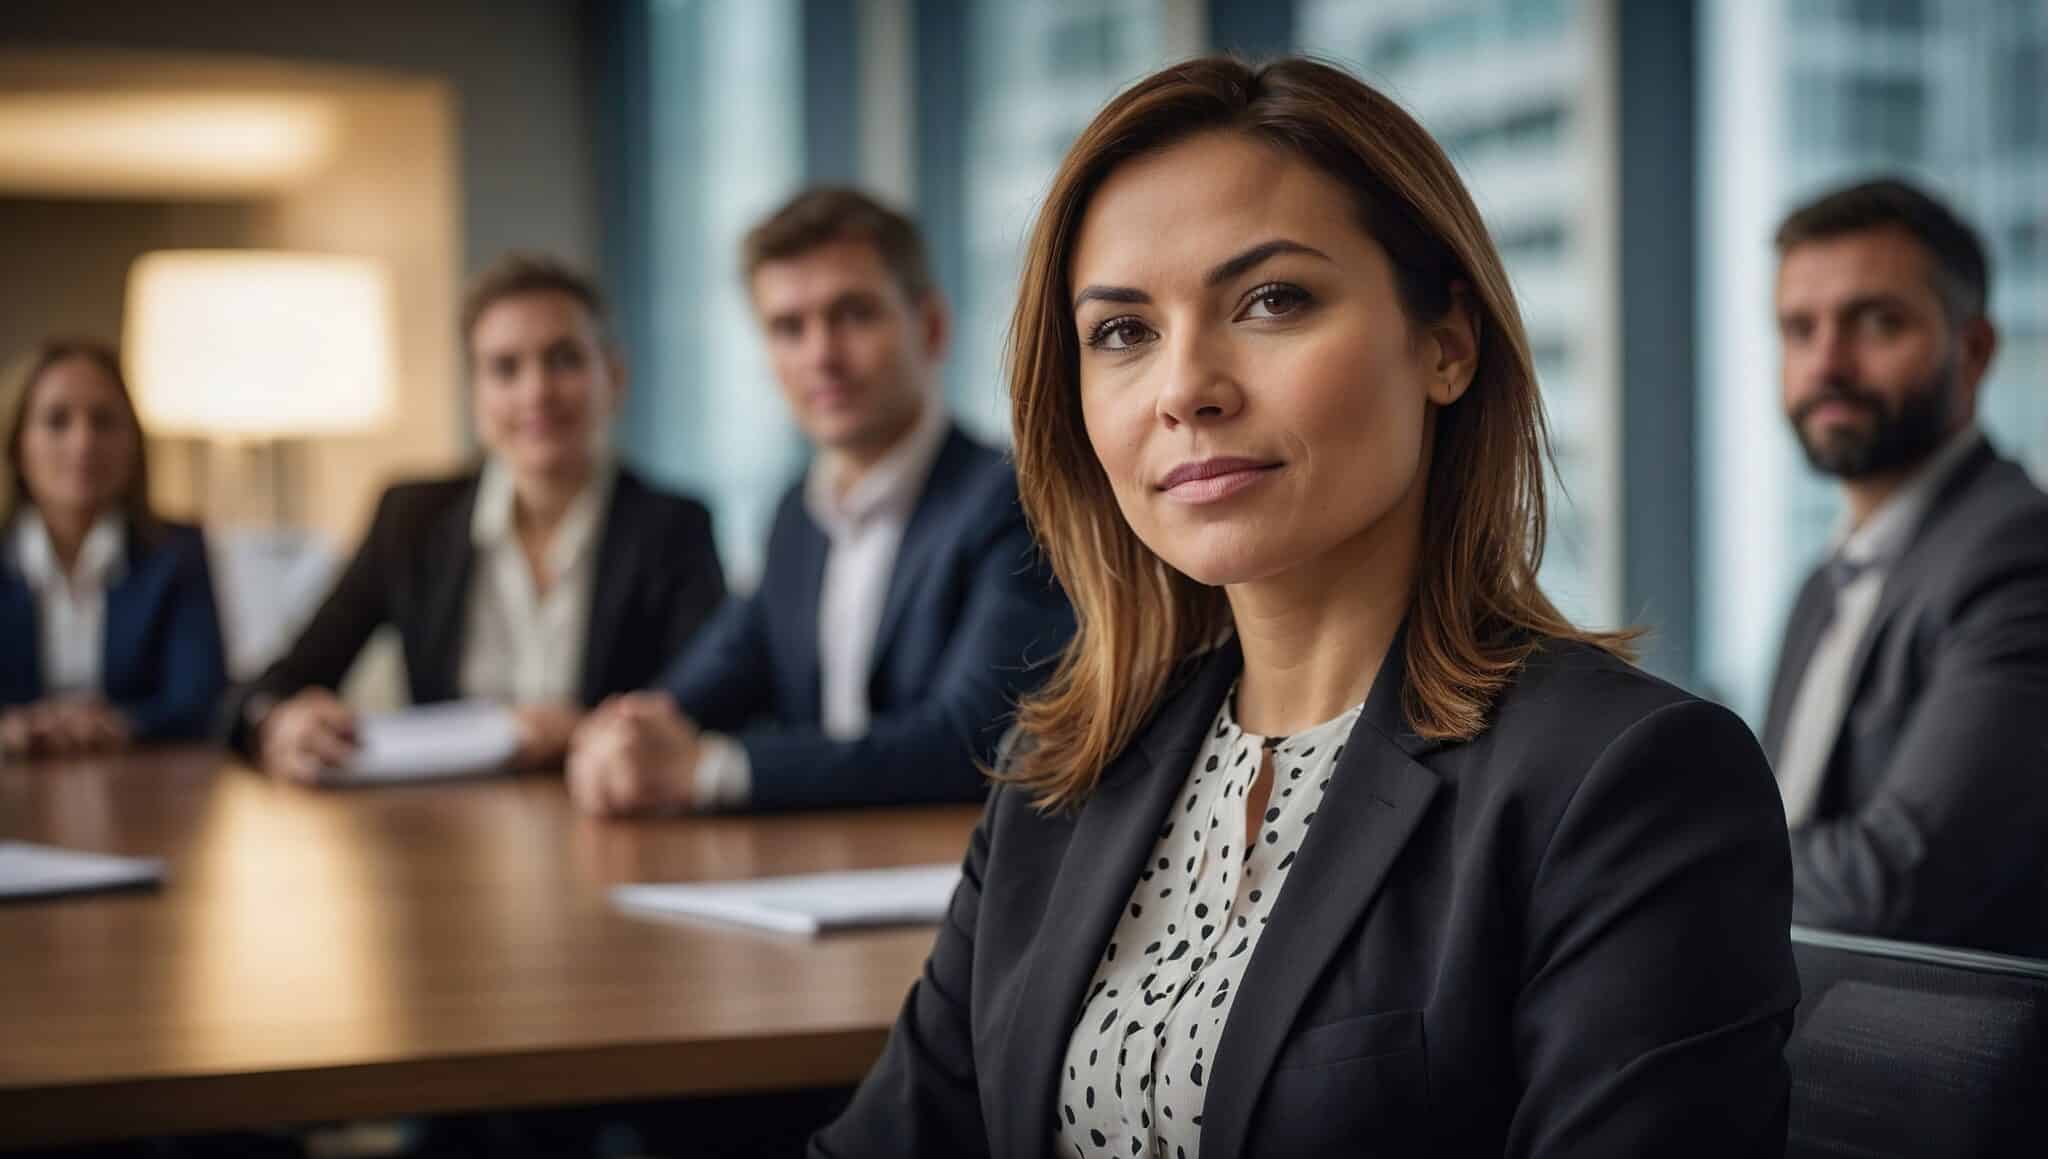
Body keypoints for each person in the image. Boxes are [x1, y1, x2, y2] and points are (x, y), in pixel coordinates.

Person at [810, 57, 1797, 1157]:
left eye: (1270, 300)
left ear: (1445, 344)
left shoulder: (1627, 781)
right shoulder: (1059, 775)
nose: (1185, 387)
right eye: (1122, 333)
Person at [565, 189, 1074, 814]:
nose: (821, 356)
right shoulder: (797, 515)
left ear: (932, 327)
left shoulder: (1013, 502)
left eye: (854, 315)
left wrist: (712, 772)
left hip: (960, 877)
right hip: (819, 869)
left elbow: (975, 744)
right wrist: (627, 733)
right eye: (788, 328)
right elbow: (722, 668)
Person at [224, 254, 726, 780]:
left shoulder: (675, 528)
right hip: (443, 826)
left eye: (564, 359)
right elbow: (264, 689)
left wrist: (581, 731)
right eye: (505, 368)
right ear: (476, 398)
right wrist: (278, 723)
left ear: (614, 378)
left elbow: (709, 707)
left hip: (613, 822)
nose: (536, 392)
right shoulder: (411, 518)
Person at [1762, 178, 2048, 958]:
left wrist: (1662, 857)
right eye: (1798, 329)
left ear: (1976, 349)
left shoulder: (2022, 554)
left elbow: (1901, 881)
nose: (1827, 363)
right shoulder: (1818, 592)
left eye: (1876, 323)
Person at [0, 339, 228, 757]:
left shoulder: (178, 552)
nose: (83, 443)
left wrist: (116, 726)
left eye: (104, 421)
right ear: (17, 445)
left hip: (144, 788)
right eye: (57, 421)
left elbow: (200, 703)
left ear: (133, 443)